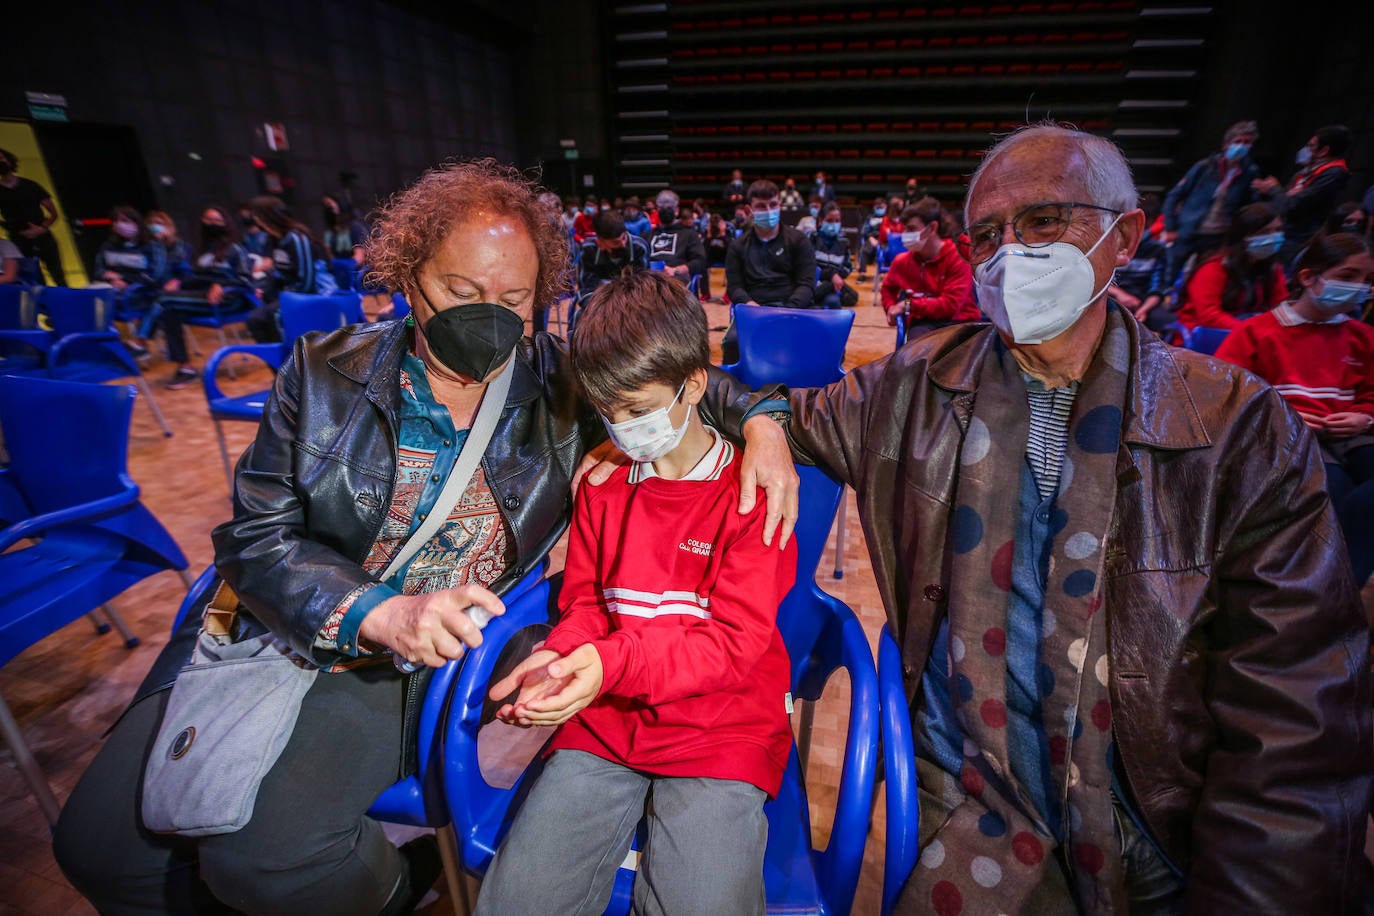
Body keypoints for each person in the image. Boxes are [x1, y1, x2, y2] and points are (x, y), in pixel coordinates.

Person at [53, 158, 798, 916]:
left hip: (419, 662)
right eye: (461, 292)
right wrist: (371, 609)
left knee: (267, 860)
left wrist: (766, 420)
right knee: (97, 851)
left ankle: (394, 893)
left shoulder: (558, 384)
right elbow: (255, 535)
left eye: (514, 298)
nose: (489, 318)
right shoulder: (321, 373)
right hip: (281, 624)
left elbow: (671, 375)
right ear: (407, 275)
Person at [727, 123, 1373, 913]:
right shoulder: (913, 387)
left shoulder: (1238, 429)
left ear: (1124, 235)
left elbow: (1296, 731)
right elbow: (758, 402)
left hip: (1163, 830)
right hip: (974, 807)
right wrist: (762, 416)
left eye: (1041, 222)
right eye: (987, 237)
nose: (1010, 256)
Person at [474, 269, 796, 916]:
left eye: (640, 410)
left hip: (720, 731)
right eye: (608, 412)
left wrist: (607, 663)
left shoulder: (755, 493)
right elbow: (588, 604)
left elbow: (733, 647)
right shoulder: (602, 484)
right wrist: (560, 660)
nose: (622, 430)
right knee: (517, 902)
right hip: (606, 722)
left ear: (694, 386)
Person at [1215, 232, 1374, 585]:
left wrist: (1365, 415)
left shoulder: (1363, 336)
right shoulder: (1257, 332)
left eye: (1367, 281)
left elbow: (1370, 393)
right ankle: (1330, 585)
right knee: (1328, 485)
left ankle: (1344, 579)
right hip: (1287, 434)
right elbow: (1223, 393)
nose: (1360, 288)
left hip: (1352, 435)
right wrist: (1281, 415)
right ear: (1307, 277)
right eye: (1348, 277)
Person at [153, 206, 255, 389]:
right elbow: (195, 279)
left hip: (228, 301)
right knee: (170, 311)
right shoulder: (201, 252)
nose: (212, 224)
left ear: (226, 223)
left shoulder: (235, 249)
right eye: (208, 220)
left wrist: (223, 286)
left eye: (217, 220)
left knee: (163, 300)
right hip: (202, 298)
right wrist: (180, 283)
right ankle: (185, 368)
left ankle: (140, 341)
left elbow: (246, 280)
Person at [723, 180, 817, 360]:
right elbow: (735, 287)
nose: (768, 210)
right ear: (750, 210)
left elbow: (806, 283)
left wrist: (789, 311)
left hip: (793, 310)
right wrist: (752, 307)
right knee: (733, 342)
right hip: (754, 311)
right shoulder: (737, 246)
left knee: (823, 340)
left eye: (773, 205)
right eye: (761, 206)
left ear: (780, 206)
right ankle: (738, 388)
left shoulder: (798, 240)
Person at [1160, 120, 1260, 284]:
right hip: (1188, 229)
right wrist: (1170, 227)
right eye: (1238, 142)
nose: (1242, 146)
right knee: (1170, 271)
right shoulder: (1205, 167)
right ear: (1227, 144)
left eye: (1247, 143)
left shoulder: (1250, 172)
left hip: (1218, 236)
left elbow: (1248, 208)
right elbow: (1174, 195)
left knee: (1201, 276)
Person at [1174, 202, 1286, 331]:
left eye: (1277, 230)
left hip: (1249, 331)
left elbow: (1279, 307)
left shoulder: (1273, 268)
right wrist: (1249, 331)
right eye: (1265, 232)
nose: (1273, 237)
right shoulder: (1213, 268)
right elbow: (1209, 316)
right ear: (1244, 236)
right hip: (1208, 335)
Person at [1252, 124, 1352, 268]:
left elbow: (1292, 205)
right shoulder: (1306, 171)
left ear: (1324, 150)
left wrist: (1274, 190)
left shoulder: (1334, 173)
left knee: (1278, 272)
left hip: (1297, 237)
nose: (1305, 150)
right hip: (1282, 230)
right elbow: (1286, 201)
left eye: (1310, 145)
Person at [879, 197, 978, 335]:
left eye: (912, 229)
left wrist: (907, 305)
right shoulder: (901, 262)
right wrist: (890, 307)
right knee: (919, 347)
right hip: (923, 323)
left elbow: (950, 306)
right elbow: (888, 288)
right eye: (905, 229)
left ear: (932, 227)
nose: (905, 235)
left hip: (960, 322)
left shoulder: (957, 256)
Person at [244, 195, 327, 343]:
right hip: (290, 295)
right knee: (257, 318)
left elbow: (307, 281)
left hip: (312, 295)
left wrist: (285, 298)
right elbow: (279, 274)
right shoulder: (274, 239)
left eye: (256, 216)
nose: (254, 220)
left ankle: (290, 362)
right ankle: (282, 364)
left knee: (260, 318)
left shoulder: (296, 238)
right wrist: (266, 290)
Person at [0, 147, 65, 285]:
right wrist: (12, 228)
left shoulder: (30, 185)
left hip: (43, 236)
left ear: (9, 161)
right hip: (19, 239)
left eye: (1, 158)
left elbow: (53, 213)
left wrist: (41, 228)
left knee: (58, 274)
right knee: (33, 278)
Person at [1110, 192, 1173, 332]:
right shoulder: (1109, 242)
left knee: (1167, 322)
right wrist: (1120, 294)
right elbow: (1096, 278)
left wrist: (1144, 309)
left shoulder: (1157, 250)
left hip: (1142, 303)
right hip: (1111, 298)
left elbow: (1157, 288)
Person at [647, 188, 708, 297]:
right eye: (661, 208)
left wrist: (676, 270)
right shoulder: (647, 235)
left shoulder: (689, 234)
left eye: (669, 207)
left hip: (678, 285)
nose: (665, 210)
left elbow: (700, 261)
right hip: (649, 285)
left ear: (676, 210)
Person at [578, 209, 649, 297]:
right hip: (599, 303)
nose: (623, 244)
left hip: (631, 302)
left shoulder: (639, 247)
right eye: (616, 242)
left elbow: (642, 288)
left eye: (624, 238)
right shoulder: (589, 249)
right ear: (600, 243)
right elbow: (586, 290)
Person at [811, 202, 857, 309]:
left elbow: (848, 266)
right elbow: (808, 266)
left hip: (832, 285)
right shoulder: (811, 239)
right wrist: (830, 275)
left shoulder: (844, 242)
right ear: (820, 221)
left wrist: (837, 276)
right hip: (814, 283)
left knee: (836, 301)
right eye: (829, 221)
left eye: (837, 221)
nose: (834, 224)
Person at [322, 193, 368, 263]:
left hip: (355, 269)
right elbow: (329, 254)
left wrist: (348, 265)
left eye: (329, 204)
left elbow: (360, 256)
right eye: (325, 205)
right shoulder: (329, 232)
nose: (328, 208)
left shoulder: (355, 228)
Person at [856, 196, 888, 279]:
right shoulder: (870, 218)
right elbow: (865, 231)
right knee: (865, 250)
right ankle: (862, 273)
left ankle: (884, 274)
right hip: (872, 239)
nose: (880, 209)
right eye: (878, 207)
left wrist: (882, 239)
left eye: (881, 207)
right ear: (874, 208)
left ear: (886, 207)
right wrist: (871, 238)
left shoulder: (888, 218)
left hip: (884, 240)